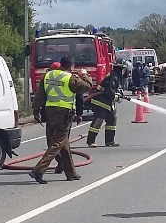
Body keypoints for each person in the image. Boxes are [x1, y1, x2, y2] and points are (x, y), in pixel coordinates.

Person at [31, 55, 93, 184]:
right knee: (57, 144)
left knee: (63, 144)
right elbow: (87, 86)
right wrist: (85, 74)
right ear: (71, 66)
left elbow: (39, 95)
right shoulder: (70, 78)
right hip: (64, 114)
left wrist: (36, 111)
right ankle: (39, 169)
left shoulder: (47, 75)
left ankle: (71, 173)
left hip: (49, 112)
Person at [85, 66, 122, 148]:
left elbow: (113, 88)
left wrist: (119, 92)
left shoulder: (115, 76)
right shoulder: (113, 76)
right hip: (101, 102)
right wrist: (116, 97)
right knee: (98, 121)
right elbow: (108, 91)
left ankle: (110, 141)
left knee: (112, 121)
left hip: (108, 102)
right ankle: (90, 141)